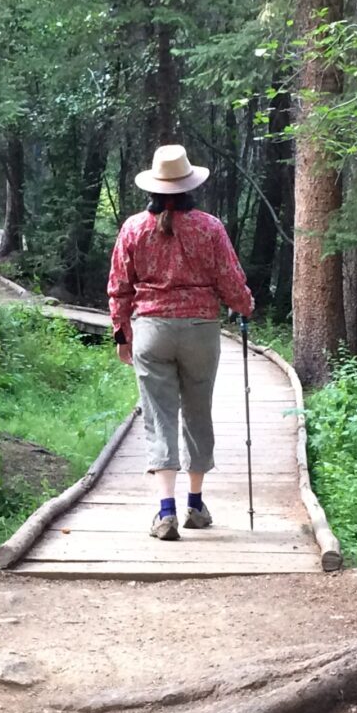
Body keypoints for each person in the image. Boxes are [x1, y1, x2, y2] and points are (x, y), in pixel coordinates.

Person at [108, 144, 255, 541]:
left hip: (151, 329)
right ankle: (195, 504)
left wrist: (122, 333)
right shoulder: (210, 227)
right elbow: (229, 279)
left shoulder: (133, 228)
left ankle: (165, 512)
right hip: (200, 331)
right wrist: (245, 306)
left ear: (153, 188)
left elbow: (119, 286)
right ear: (190, 185)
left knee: (159, 417)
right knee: (197, 411)